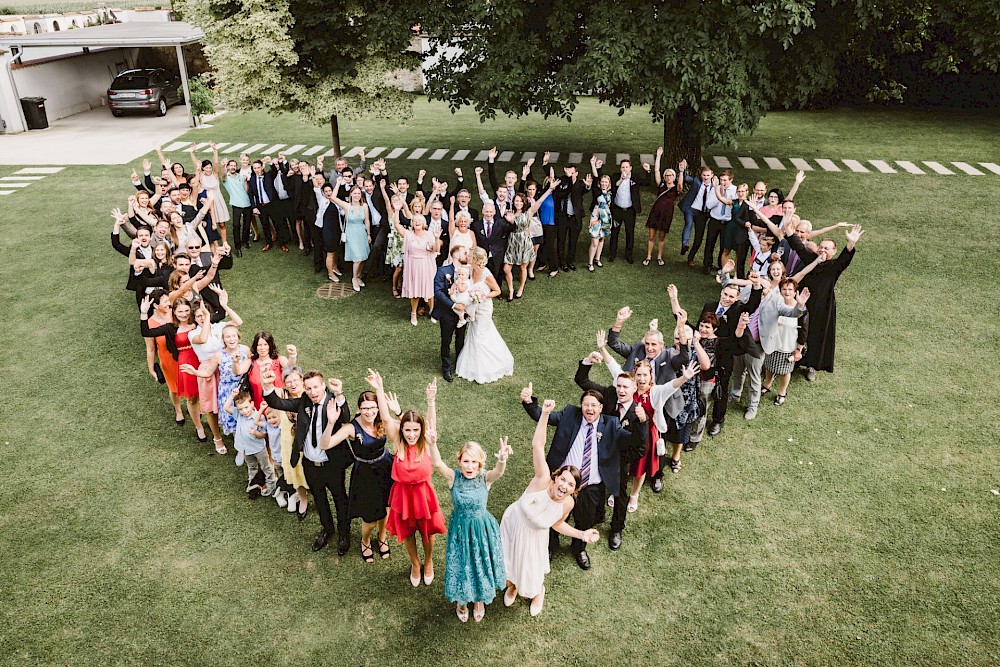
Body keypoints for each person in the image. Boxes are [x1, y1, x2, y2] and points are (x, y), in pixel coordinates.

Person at [520, 382, 640, 571]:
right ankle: (551, 546)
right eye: (586, 405)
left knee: (586, 520)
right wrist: (529, 401)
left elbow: (634, 442)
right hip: (563, 483)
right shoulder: (569, 414)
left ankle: (579, 548)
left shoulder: (611, 424)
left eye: (594, 405)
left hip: (590, 486)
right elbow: (542, 416)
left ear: (601, 408)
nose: (589, 409)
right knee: (554, 517)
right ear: (581, 406)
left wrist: (642, 423)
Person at [501, 399, 599, 616]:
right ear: (556, 477)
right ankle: (514, 586)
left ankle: (538, 592)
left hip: (535, 538)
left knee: (531, 570)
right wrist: (545, 414)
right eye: (563, 479)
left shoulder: (568, 503)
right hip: (514, 524)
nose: (564, 486)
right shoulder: (542, 479)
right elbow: (538, 445)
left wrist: (581, 534)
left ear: (574, 491)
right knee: (510, 562)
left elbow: (558, 524)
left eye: (570, 485)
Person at [367, 371, 446, 586]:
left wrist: (431, 401)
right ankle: (415, 563)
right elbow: (385, 417)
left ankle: (428, 562)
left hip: (423, 495)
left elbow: (432, 424)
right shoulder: (398, 442)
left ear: (421, 431)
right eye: (408, 429)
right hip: (402, 495)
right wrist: (379, 389)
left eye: (415, 430)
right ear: (402, 429)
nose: (411, 434)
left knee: (427, 533)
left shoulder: (426, 443)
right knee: (408, 533)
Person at [262, 367, 353, 554]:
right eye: (308, 388)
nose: (312, 392)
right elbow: (277, 402)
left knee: (339, 499)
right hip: (310, 464)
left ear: (323, 386)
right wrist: (267, 385)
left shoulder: (333, 402)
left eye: (315, 387)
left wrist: (340, 394)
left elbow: (346, 417)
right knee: (320, 499)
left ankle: (344, 534)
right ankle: (328, 530)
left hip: (332, 464)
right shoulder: (304, 401)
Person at [428, 437, 510, 623]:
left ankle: (479, 599)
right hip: (461, 532)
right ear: (459, 462)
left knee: (480, 564)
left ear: (480, 464)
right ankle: (462, 602)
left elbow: (498, 471)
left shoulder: (484, 478)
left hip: (483, 531)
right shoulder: (453, 478)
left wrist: (502, 459)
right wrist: (432, 444)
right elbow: (438, 463)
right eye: (466, 461)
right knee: (463, 566)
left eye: (474, 462)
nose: (470, 466)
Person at [573, 356, 647, 548]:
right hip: (594, 451)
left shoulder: (637, 413)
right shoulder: (609, 394)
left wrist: (619, 458)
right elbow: (582, 381)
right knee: (595, 486)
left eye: (625, 387)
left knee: (619, 494)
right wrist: (587, 361)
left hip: (620, 460)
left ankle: (616, 529)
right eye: (619, 386)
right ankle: (597, 515)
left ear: (634, 389)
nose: (621, 390)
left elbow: (640, 448)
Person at [320, 390, 395, 563]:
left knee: (387, 507)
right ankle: (366, 540)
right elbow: (325, 444)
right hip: (366, 474)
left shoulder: (382, 420)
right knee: (370, 519)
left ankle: (382, 537)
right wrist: (331, 423)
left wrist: (396, 411)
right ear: (359, 409)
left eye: (373, 408)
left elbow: (406, 426)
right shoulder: (351, 427)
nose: (369, 412)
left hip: (385, 467)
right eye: (365, 408)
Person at [139, 295, 210, 443]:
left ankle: (212, 419)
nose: (184, 315)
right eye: (180, 312)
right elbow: (147, 332)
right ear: (174, 313)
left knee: (208, 392)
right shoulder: (170, 327)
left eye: (186, 311)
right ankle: (198, 427)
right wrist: (144, 313)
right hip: (186, 362)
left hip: (203, 359)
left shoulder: (197, 322)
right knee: (192, 398)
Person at [455, 247, 514, 384]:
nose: (467, 257)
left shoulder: (486, 274)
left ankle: (486, 369)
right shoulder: (470, 270)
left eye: (469, 256)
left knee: (480, 336)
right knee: (473, 333)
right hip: (473, 308)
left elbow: (497, 291)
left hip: (484, 308)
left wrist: (482, 296)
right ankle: (472, 365)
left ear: (475, 259)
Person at [759, 280, 811, 405]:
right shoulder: (776, 303)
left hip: (788, 345)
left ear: (795, 292)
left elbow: (804, 331)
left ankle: (782, 392)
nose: (787, 292)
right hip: (774, 342)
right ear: (780, 291)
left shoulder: (801, 309)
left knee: (785, 371)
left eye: (790, 290)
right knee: (769, 366)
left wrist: (798, 350)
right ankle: (767, 384)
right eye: (784, 289)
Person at [502, 184, 556, 301]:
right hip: (512, 242)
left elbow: (540, 201)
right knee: (506, 268)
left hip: (524, 242)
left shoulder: (529, 212)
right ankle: (511, 290)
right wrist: (509, 220)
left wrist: (550, 189)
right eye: (516, 201)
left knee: (523, 268)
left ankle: (521, 288)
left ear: (524, 203)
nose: (518, 203)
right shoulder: (509, 213)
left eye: (520, 201)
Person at [593, 156, 651, 263]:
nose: (625, 169)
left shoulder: (635, 177)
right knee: (615, 232)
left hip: (630, 211)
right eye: (623, 167)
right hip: (617, 210)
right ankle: (612, 253)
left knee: (630, 233)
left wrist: (648, 171)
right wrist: (598, 168)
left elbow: (647, 183)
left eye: (627, 167)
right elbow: (605, 181)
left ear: (630, 168)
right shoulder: (615, 177)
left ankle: (628, 255)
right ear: (620, 169)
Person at [431, 245, 471, 382]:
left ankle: (460, 365)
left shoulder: (469, 271)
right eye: (464, 253)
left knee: (461, 339)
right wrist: (454, 305)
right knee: (446, 340)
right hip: (447, 312)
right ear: (456, 255)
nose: (467, 255)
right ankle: (446, 368)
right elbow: (437, 292)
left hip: (463, 313)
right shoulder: (443, 271)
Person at [224, 390, 277, 496]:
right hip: (245, 449)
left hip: (258, 448)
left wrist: (256, 433)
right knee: (251, 466)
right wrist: (232, 395)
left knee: (265, 466)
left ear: (252, 404)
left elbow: (264, 435)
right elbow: (226, 408)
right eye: (240, 409)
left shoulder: (259, 416)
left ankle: (271, 483)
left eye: (246, 407)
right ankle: (253, 482)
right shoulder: (239, 414)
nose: (244, 411)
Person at [394, 203, 438, 326]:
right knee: (415, 291)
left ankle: (432, 311)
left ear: (423, 223)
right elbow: (397, 225)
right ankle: (413, 313)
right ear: (412, 223)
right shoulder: (408, 235)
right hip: (413, 265)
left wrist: (436, 239)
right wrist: (397, 210)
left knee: (429, 291)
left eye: (419, 220)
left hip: (426, 265)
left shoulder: (429, 234)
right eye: (414, 221)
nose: (417, 222)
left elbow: (434, 250)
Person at [327, 179, 371, 292]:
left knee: (363, 257)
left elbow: (367, 221)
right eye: (354, 193)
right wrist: (337, 183)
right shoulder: (347, 206)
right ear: (351, 194)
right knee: (357, 257)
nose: (357, 195)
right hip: (351, 233)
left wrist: (369, 234)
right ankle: (354, 278)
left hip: (361, 232)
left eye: (358, 193)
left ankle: (358, 275)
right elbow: (333, 197)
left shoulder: (364, 206)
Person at [644, 149, 686, 266]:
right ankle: (648, 256)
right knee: (651, 236)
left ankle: (659, 257)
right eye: (667, 175)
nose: (669, 177)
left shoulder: (676, 188)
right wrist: (658, 156)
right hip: (656, 212)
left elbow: (680, 185)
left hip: (667, 214)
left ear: (674, 176)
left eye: (671, 175)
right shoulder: (661, 185)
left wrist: (681, 171)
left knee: (661, 237)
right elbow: (656, 170)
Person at [587, 175, 612, 272]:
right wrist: (594, 166)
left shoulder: (610, 193)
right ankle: (590, 262)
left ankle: (597, 259)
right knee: (594, 242)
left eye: (606, 182)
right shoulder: (596, 191)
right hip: (596, 217)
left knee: (602, 239)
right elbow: (596, 176)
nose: (604, 184)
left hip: (606, 218)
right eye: (602, 182)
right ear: (599, 183)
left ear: (609, 183)